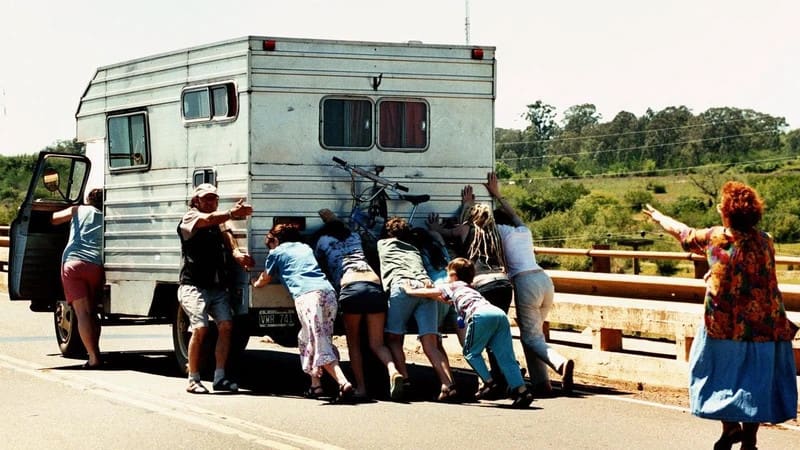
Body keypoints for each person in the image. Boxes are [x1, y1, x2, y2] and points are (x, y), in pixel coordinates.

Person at [643, 181, 798, 450]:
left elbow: (683, 232)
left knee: (715, 375)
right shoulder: (766, 241)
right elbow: (748, 268)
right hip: (765, 325)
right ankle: (748, 439)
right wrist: (713, 273)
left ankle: (730, 429)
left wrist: (659, 217)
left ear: (726, 212)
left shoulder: (715, 238)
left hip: (723, 325)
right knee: (755, 382)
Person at [484, 172, 575, 395]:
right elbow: (513, 214)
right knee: (534, 335)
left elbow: (483, 224)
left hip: (525, 283)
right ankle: (542, 383)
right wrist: (498, 195)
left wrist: (470, 205)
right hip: (544, 280)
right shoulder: (524, 231)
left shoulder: (500, 232)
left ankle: (561, 363)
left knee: (531, 337)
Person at [402, 257, 534, 408]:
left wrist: (410, 290)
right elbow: (444, 299)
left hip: (480, 315)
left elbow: (433, 291)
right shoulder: (470, 288)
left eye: (449, 274)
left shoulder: (453, 285)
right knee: (506, 357)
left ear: (454, 275)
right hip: (498, 314)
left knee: (470, 352)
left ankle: (489, 382)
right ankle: (522, 391)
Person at [427, 185, 515, 394]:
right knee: (499, 335)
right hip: (503, 283)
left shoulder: (466, 229)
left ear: (470, 217)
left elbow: (443, 231)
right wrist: (469, 204)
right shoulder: (495, 233)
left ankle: (490, 380)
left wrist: (434, 227)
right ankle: (507, 379)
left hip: (483, 285)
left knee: (482, 338)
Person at [252, 223, 354, 401]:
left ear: (275, 239)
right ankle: (316, 386)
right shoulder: (305, 248)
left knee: (319, 342)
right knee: (306, 338)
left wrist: (255, 284)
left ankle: (343, 382)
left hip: (308, 298)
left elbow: (265, 278)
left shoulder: (276, 252)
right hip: (328, 293)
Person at [314, 209, 405, 401]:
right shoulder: (355, 236)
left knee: (354, 344)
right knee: (377, 343)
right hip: (373, 285)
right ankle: (392, 370)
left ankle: (362, 388)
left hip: (351, 288)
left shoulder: (323, 241)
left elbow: (318, 261)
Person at [177, 183, 254, 394]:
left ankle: (220, 377)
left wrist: (236, 252)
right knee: (200, 329)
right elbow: (207, 221)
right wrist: (230, 213)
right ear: (196, 201)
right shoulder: (191, 217)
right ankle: (193, 378)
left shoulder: (218, 221)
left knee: (226, 326)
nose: (211, 202)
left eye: (214, 199)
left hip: (217, 285)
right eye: (206, 199)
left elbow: (226, 233)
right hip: (193, 285)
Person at [378, 217, 456, 401]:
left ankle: (404, 379)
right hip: (425, 287)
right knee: (430, 343)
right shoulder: (414, 249)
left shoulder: (382, 244)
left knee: (394, 338)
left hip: (403, 286)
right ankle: (447, 383)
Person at [51, 188, 105, 369]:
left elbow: (54, 219)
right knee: (92, 313)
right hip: (96, 266)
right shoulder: (106, 215)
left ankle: (93, 357)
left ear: (88, 200)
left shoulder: (78, 210)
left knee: (81, 314)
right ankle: (96, 352)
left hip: (73, 264)